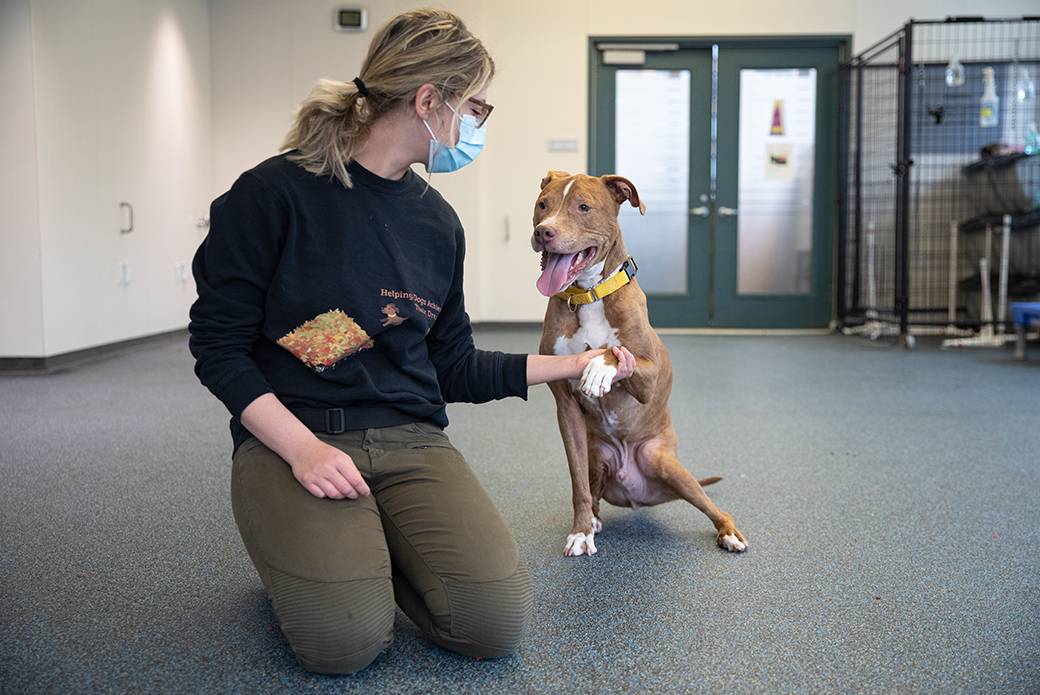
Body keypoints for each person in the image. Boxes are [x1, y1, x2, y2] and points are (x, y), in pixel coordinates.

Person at [189, 8, 634, 675]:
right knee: (342, 643)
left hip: (411, 438)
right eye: (473, 108)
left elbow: (451, 363)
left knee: (492, 622)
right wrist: (304, 450)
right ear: (428, 101)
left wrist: (574, 361)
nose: (473, 127)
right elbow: (217, 347)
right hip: (294, 438)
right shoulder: (269, 196)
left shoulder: (436, 223)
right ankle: (324, 559)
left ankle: (369, 553)